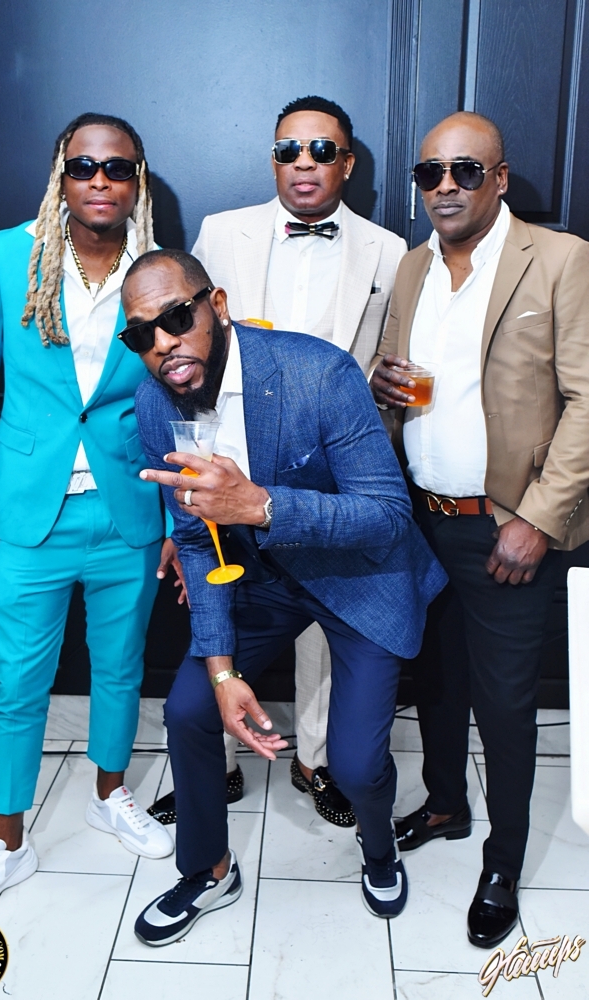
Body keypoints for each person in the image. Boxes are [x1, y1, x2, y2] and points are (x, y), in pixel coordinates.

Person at [117, 247, 446, 944]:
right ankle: (208, 869)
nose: (163, 343)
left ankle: (379, 849)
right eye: (141, 334)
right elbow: (197, 540)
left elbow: (388, 516)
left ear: (217, 306)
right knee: (188, 709)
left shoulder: (317, 373)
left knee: (356, 765)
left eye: (176, 318)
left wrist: (262, 506)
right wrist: (223, 673)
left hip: (358, 575)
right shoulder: (153, 403)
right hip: (261, 578)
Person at [0, 113, 182, 921]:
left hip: (129, 509)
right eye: (83, 166)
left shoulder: (160, 270)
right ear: (61, 176)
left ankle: (110, 794)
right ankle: (7, 839)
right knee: (19, 688)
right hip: (30, 516)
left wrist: (179, 519)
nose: (100, 180)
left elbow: (184, 398)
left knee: (120, 670)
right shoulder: (7, 256)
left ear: (137, 179)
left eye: (117, 168)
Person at [147, 95, 407, 829]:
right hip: (226, 476)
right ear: (273, 160)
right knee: (219, 607)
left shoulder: (387, 250)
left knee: (331, 626)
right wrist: (187, 513)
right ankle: (219, 765)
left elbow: (386, 357)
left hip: (327, 479)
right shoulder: (220, 232)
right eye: (289, 150)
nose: (304, 163)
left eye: (322, 150)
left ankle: (316, 761)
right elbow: (185, 359)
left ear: (347, 164)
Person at [371, 111, 589, 948]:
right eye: (430, 172)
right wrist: (382, 387)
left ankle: (503, 862)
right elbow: (394, 380)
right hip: (420, 519)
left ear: (499, 178)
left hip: (505, 529)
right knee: (436, 680)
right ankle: (445, 806)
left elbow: (586, 403)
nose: (446, 186)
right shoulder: (413, 266)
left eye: (465, 170)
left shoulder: (560, 260)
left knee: (503, 705)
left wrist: (537, 519)